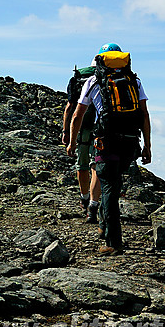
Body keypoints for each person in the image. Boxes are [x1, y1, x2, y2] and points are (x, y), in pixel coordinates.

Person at [66, 43, 152, 255]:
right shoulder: (134, 81)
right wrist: (147, 146)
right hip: (131, 142)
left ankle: (112, 242)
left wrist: (72, 141)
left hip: (106, 141)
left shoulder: (94, 81)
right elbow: (144, 114)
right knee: (112, 185)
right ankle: (104, 226)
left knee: (109, 189)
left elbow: (77, 115)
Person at [62, 66, 101, 221]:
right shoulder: (107, 80)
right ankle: (93, 204)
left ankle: (84, 199)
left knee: (82, 164)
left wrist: (67, 133)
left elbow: (70, 108)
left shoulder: (79, 80)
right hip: (101, 129)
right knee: (95, 166)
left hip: (82, 128)